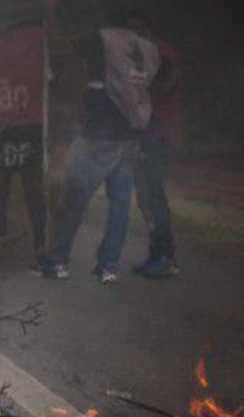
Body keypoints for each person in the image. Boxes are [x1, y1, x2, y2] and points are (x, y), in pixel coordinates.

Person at [35, 6, 165, 284]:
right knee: (120, 206)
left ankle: (57, 261)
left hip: (99, 133)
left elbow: (62, 49)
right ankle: (108, 266)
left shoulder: (102, 39)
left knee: (73, 198)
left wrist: (49, 16)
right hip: (131, 133)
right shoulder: (146, 49)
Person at [133, 28, 182, 279]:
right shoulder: (147, 54)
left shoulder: (159, 53)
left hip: (157, 138)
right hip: (147, 137)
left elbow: (163, 85)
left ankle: (166, 256)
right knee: (146, 198)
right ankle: (158, 254)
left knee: (153, 197)